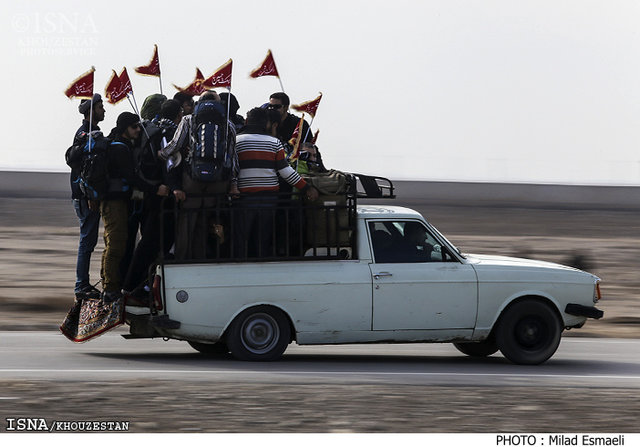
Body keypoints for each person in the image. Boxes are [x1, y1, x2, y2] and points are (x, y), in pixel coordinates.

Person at [160, 92, 238, 259]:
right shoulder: (228, 123)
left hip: (192, 179)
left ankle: (183, 260)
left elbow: (175, 144)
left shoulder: (188, 119)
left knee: (187, 221)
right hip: (218, 182)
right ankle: (199, 259)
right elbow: (232, 157)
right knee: (204, 221)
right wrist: (233, 183)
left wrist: (162, 154)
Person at [101, 112, 169, 302]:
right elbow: (132, 179)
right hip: (113, 202)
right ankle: (109, 290)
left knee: (116, 244)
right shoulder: (120, 149)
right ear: (125, 129)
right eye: (134, 127)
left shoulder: (123, 146)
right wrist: (155, 189)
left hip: (119, 201)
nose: (138, 130)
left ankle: (111, 285)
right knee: (116, 246)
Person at [233, 107, 318, 258]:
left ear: (247, 121)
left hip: (244, 198)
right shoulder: (274, 142)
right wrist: (306, 188)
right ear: (265, 123)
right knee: (263, 238)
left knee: (242, 236)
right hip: (268, 198)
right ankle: (261, 268)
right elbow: (286, 172)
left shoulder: (236, 141)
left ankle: (241, 266)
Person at [121, 100, 183, 300]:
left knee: (152, 242)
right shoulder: (168, 132)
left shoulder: (154, 130)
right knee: (153, 243)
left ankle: (138, 286)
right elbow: (169, 163)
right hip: (161, 196)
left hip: (150, 194)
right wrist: (172, 188)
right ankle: (134, 288)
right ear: (179, 114)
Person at [70, 93, 105, 301]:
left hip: (84, 196)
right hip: (85, 197)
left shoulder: (89, 132)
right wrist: (91, 195)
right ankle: (81, 285)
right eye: (100, 107)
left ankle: (82, 283)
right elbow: (87, 171)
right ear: (91, 111)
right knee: (86, 242)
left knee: (88, 241)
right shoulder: (87, 135)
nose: (104, 110)